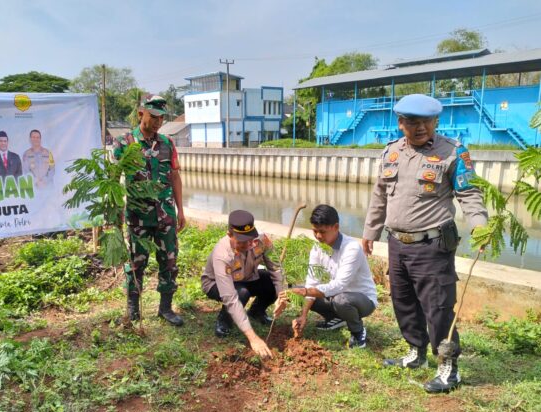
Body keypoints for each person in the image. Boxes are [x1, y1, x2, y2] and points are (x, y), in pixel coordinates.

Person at [362, 94, 488, 393]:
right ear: (401, 123)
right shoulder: (391, 153)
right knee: (403, 302)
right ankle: (415, 353)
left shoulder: (452, 152)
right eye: (413, 122)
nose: (421, 128)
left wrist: (480, 227)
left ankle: (448, 368)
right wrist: (370, 231)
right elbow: (380, 195)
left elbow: (469, 194)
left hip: (432, 246)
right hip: (397, 244)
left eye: (427, 122)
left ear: (436, 122)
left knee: (439, 308)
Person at [114, 96, 185, 327]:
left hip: (165, 214)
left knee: (169, 262)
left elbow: (175, 175)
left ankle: (165, 308)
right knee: (136, 263)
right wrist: (115, 211)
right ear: (141, 114)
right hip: (138, 216)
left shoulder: (167, 143)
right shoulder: (125, 143)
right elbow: (115, 178)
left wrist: (181, 211)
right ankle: (133, 310)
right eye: (153, 117)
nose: (157, 122)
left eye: (161, 118)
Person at [286, 204, 377, 348]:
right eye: (315, 231)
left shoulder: (351, 248)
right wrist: (303, 315)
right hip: (336, 297)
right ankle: (336, 318)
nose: (318, 236)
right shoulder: (317, 247)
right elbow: (312, 282)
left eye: (322, 231)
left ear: (336, 227)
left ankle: (358, 331)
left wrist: (306, 291)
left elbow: (340, 285)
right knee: (298, 291)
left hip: (362, 300)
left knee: (340, 300)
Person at [201, 210, 285, 359]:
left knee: (271, 283)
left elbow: (276, 268)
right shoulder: (222, 254)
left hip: (248, 277)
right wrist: (253, 338)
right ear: (229, 235)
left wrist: (281, 296)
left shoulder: (262, 240)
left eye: (250, 239)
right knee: (241, 294)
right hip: (216, 284)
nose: (248, 245)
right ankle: (224, 320)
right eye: (241, 241)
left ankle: (256, 311)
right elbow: (230, 297)